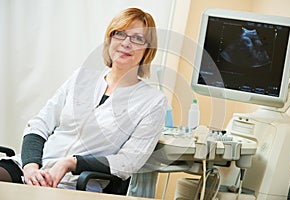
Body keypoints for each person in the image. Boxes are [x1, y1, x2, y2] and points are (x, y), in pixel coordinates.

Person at [0, 7, 167, 192]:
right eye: (120, 34)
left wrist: (71, 163)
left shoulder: (152, 101)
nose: (126, 43)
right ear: (110, 39)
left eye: (137, 38)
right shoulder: (82, 77)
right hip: (30, 169)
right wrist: (31, 166)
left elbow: (128, 162)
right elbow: (40, 124)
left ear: (148, 50)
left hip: (76, 183)